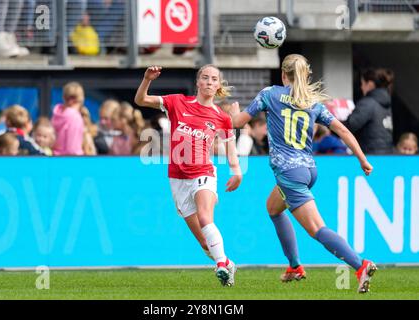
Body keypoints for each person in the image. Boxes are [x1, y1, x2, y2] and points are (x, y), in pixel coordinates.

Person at [230, 54, 377, 293]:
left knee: (317, 229)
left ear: (283, 74)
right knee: (274, 208)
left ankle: (360, 266)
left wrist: (233, 111)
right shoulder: (312, 103)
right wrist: (362, 159)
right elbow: (342, 129)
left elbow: (237, 122)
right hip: (308, 170)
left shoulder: (269, 94)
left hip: (289, 173)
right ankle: (295, 266)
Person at [135, 65, 243, 286]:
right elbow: (141, 100)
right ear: (198, 82)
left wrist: (236, 172)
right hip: (177, 178)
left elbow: (231, 148)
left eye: (214, 79)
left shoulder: (221, 118)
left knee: (205, 217)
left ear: (218, 85)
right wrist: (147, 79)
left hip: (204, 173)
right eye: (205, 78)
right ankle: (227, 264)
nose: (209, 82)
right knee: (205, 243)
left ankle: (221, 265)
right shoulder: (177, 102)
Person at [344, 68, 393, 154]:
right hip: (386, 155)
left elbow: (350, 126)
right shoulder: (386, 104)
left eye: (362, 83)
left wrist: (330, 122)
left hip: (370, 155)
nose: (361, 87)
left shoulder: (367, 103)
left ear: (370, 84)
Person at [51, 82, 85, 155]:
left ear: (64, 97)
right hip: (70, 161)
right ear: (81, 98)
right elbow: (73, 149)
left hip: (54, 157)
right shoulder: (75, 117)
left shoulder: (56, 114)